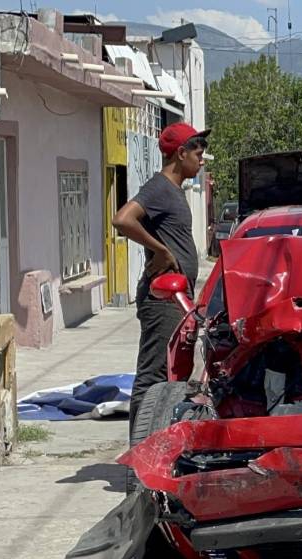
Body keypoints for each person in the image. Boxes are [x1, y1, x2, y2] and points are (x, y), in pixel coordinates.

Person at [111, 122, 209, 433]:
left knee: (169, 380)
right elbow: (122, 220)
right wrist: (162, 252)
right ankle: (140, 457)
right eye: (198, 151)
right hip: (162, 299)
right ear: (181, 153)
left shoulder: (175, 191)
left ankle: (159, 447)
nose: (202, 158)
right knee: (152, 379)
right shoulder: (160, 188)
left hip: (177, 299)